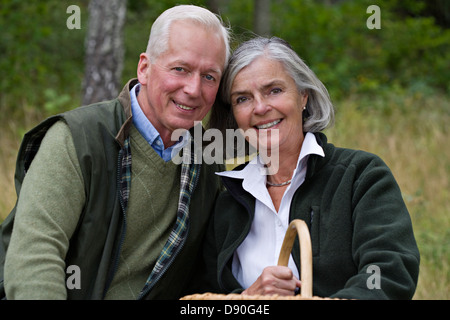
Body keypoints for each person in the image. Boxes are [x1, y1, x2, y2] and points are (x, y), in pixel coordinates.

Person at [0, 5, 230, 299]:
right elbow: (34, 257)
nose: (194, 89)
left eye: (209, 76)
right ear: (144, 68)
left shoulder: (209, 164)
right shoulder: (78, 140)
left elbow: (206, 279)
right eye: (180, 69)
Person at [202, 36, 420, 299]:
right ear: (234, 115)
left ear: (303, 95)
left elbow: (390, 272)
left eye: (274, 90)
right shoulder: (227, 199)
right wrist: (248, 297)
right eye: (243, 99)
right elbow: (205, 293)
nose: (260, 107)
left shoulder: (360, 176)